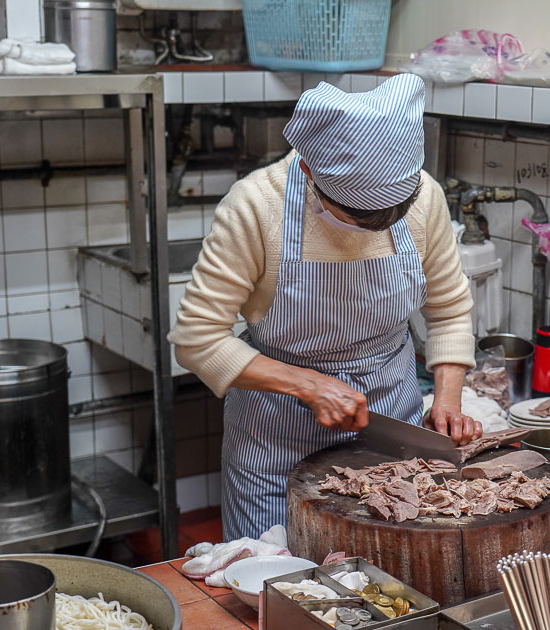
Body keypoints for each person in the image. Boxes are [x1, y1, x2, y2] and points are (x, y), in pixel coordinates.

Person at [169, 73, 481, 540]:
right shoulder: (257, 206)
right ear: (311, 172)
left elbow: (450, 310)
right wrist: (308, 385)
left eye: (392, 213)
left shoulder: (425, 197)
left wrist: (447, 401)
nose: (378, 227)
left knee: (389, 578)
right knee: (280, 583)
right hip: (275, 438)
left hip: (389, 426)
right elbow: (197, 339)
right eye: (358, 216)